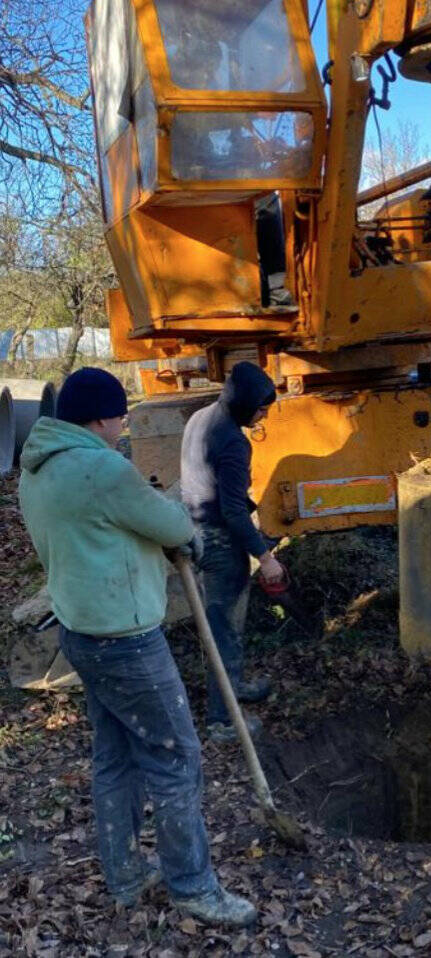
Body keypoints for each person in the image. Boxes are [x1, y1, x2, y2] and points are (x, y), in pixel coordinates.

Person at [18, 367, 257, 926]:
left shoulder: (37, 468)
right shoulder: (100, 467)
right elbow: (171, 526)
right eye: (121, 415)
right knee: (177, 756)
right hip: (125, 640)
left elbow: (102, 528)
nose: (125, 424)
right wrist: (185, 536)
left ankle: (126, 878)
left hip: (80, 632)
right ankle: (193, 887)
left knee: (116, 756)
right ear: (98, 418)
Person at [181, 361, 284, 743]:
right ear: (242, 402)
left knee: (223, 625)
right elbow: (233, 511)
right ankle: (221, 721)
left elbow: (206, 485)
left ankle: (233, 685)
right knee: (224, 630)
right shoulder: (233, 440)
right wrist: (266, 557)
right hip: (222, 542)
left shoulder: (200, 418)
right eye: (260, 408)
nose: (263, 415)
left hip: (195, 531)